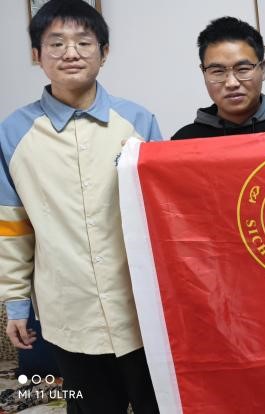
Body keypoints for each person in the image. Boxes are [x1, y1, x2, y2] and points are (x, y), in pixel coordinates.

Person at [0, 0, 161, 412]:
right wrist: (15, 303)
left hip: (142, 311)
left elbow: (163, 216)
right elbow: (13, 227)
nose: (70, 53)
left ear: (103, 53)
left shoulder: (138, 122)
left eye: (84, 42)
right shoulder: (14, 133)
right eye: (56, 43)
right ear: (37, 55)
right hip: (68, 314)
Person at [172, 16, 265, 140]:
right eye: (217, 71)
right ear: (203, 73)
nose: (231, 83)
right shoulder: (184, 141)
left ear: (262, 69)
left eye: (243, 69)